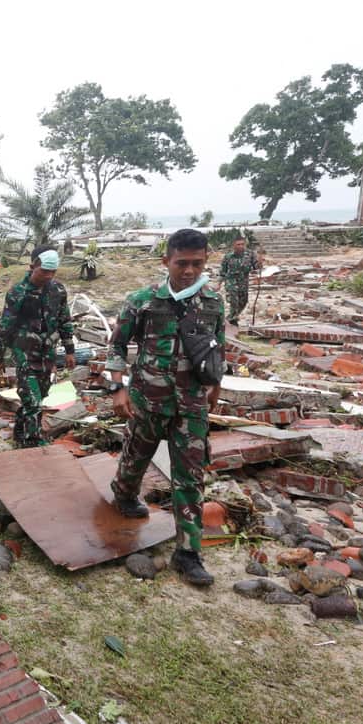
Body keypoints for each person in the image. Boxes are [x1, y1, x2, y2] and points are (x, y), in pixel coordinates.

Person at [106, 228, 224, 587]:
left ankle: (188, 553)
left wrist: (217, 385)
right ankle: (124, 494)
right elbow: (117, 346)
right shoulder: (142, 300)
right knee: (135, 457)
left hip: (192, 405)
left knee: (190, 476)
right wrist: (117, 388)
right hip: (147, 399)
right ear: (166, 261)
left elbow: (218, 346)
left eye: (197, 264)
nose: (189, 271)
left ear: (206, 261)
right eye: (182, 263)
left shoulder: (212, 302)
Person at [0, 247, 75, 448]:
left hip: (47, 354)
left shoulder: (58, 290)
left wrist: (70, 350)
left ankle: (19, 436)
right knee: (33, 402)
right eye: (44, 271)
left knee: (40, 396)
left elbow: (64, 320)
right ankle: (33, 445)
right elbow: (5, 326)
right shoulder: (18, 293)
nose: (48, 276)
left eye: (52, 272)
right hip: (24, 354)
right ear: (32, 267)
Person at [218, 235, 261, 325]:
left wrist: (260, 261)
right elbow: (223, 271)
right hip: (231, 281)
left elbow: (256, 267)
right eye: (238, 244)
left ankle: (230, 318)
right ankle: (233, 321)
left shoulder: (250, 254)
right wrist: (219, 283)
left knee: (244, 302)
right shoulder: (228, 256)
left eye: (242, 244)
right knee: (234, 301)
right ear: (234, 245)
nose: (241, 246)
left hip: (244, 281)